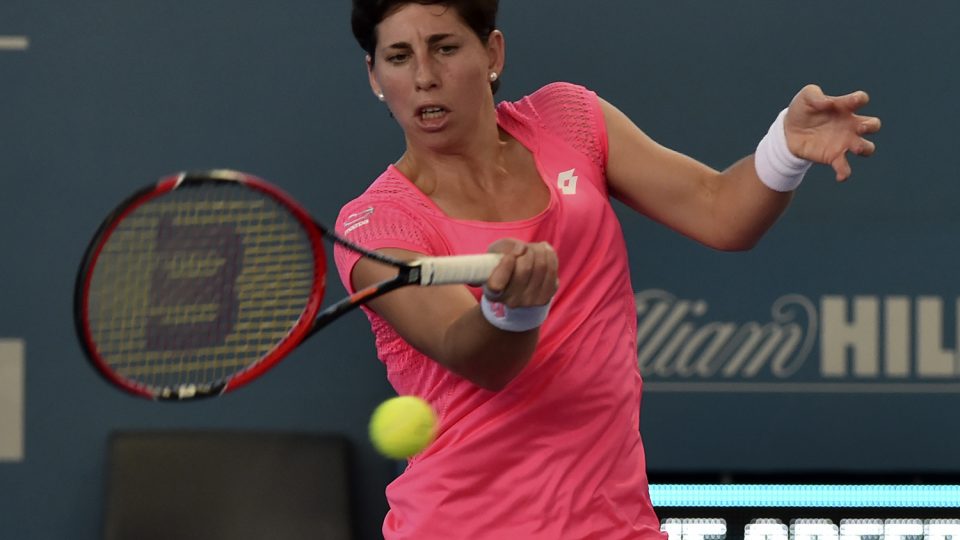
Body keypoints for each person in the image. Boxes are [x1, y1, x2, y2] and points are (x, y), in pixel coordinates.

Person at [335, 1, 881, 538]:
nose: (425, 77)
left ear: (492, 51)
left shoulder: (568, 120)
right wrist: (511, 308)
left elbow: (721, 211)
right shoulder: (377, 226)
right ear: (374, 76)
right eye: (400, 57)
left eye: (445, 48)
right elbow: (475, 356)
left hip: (616, 527)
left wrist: (785, 149)